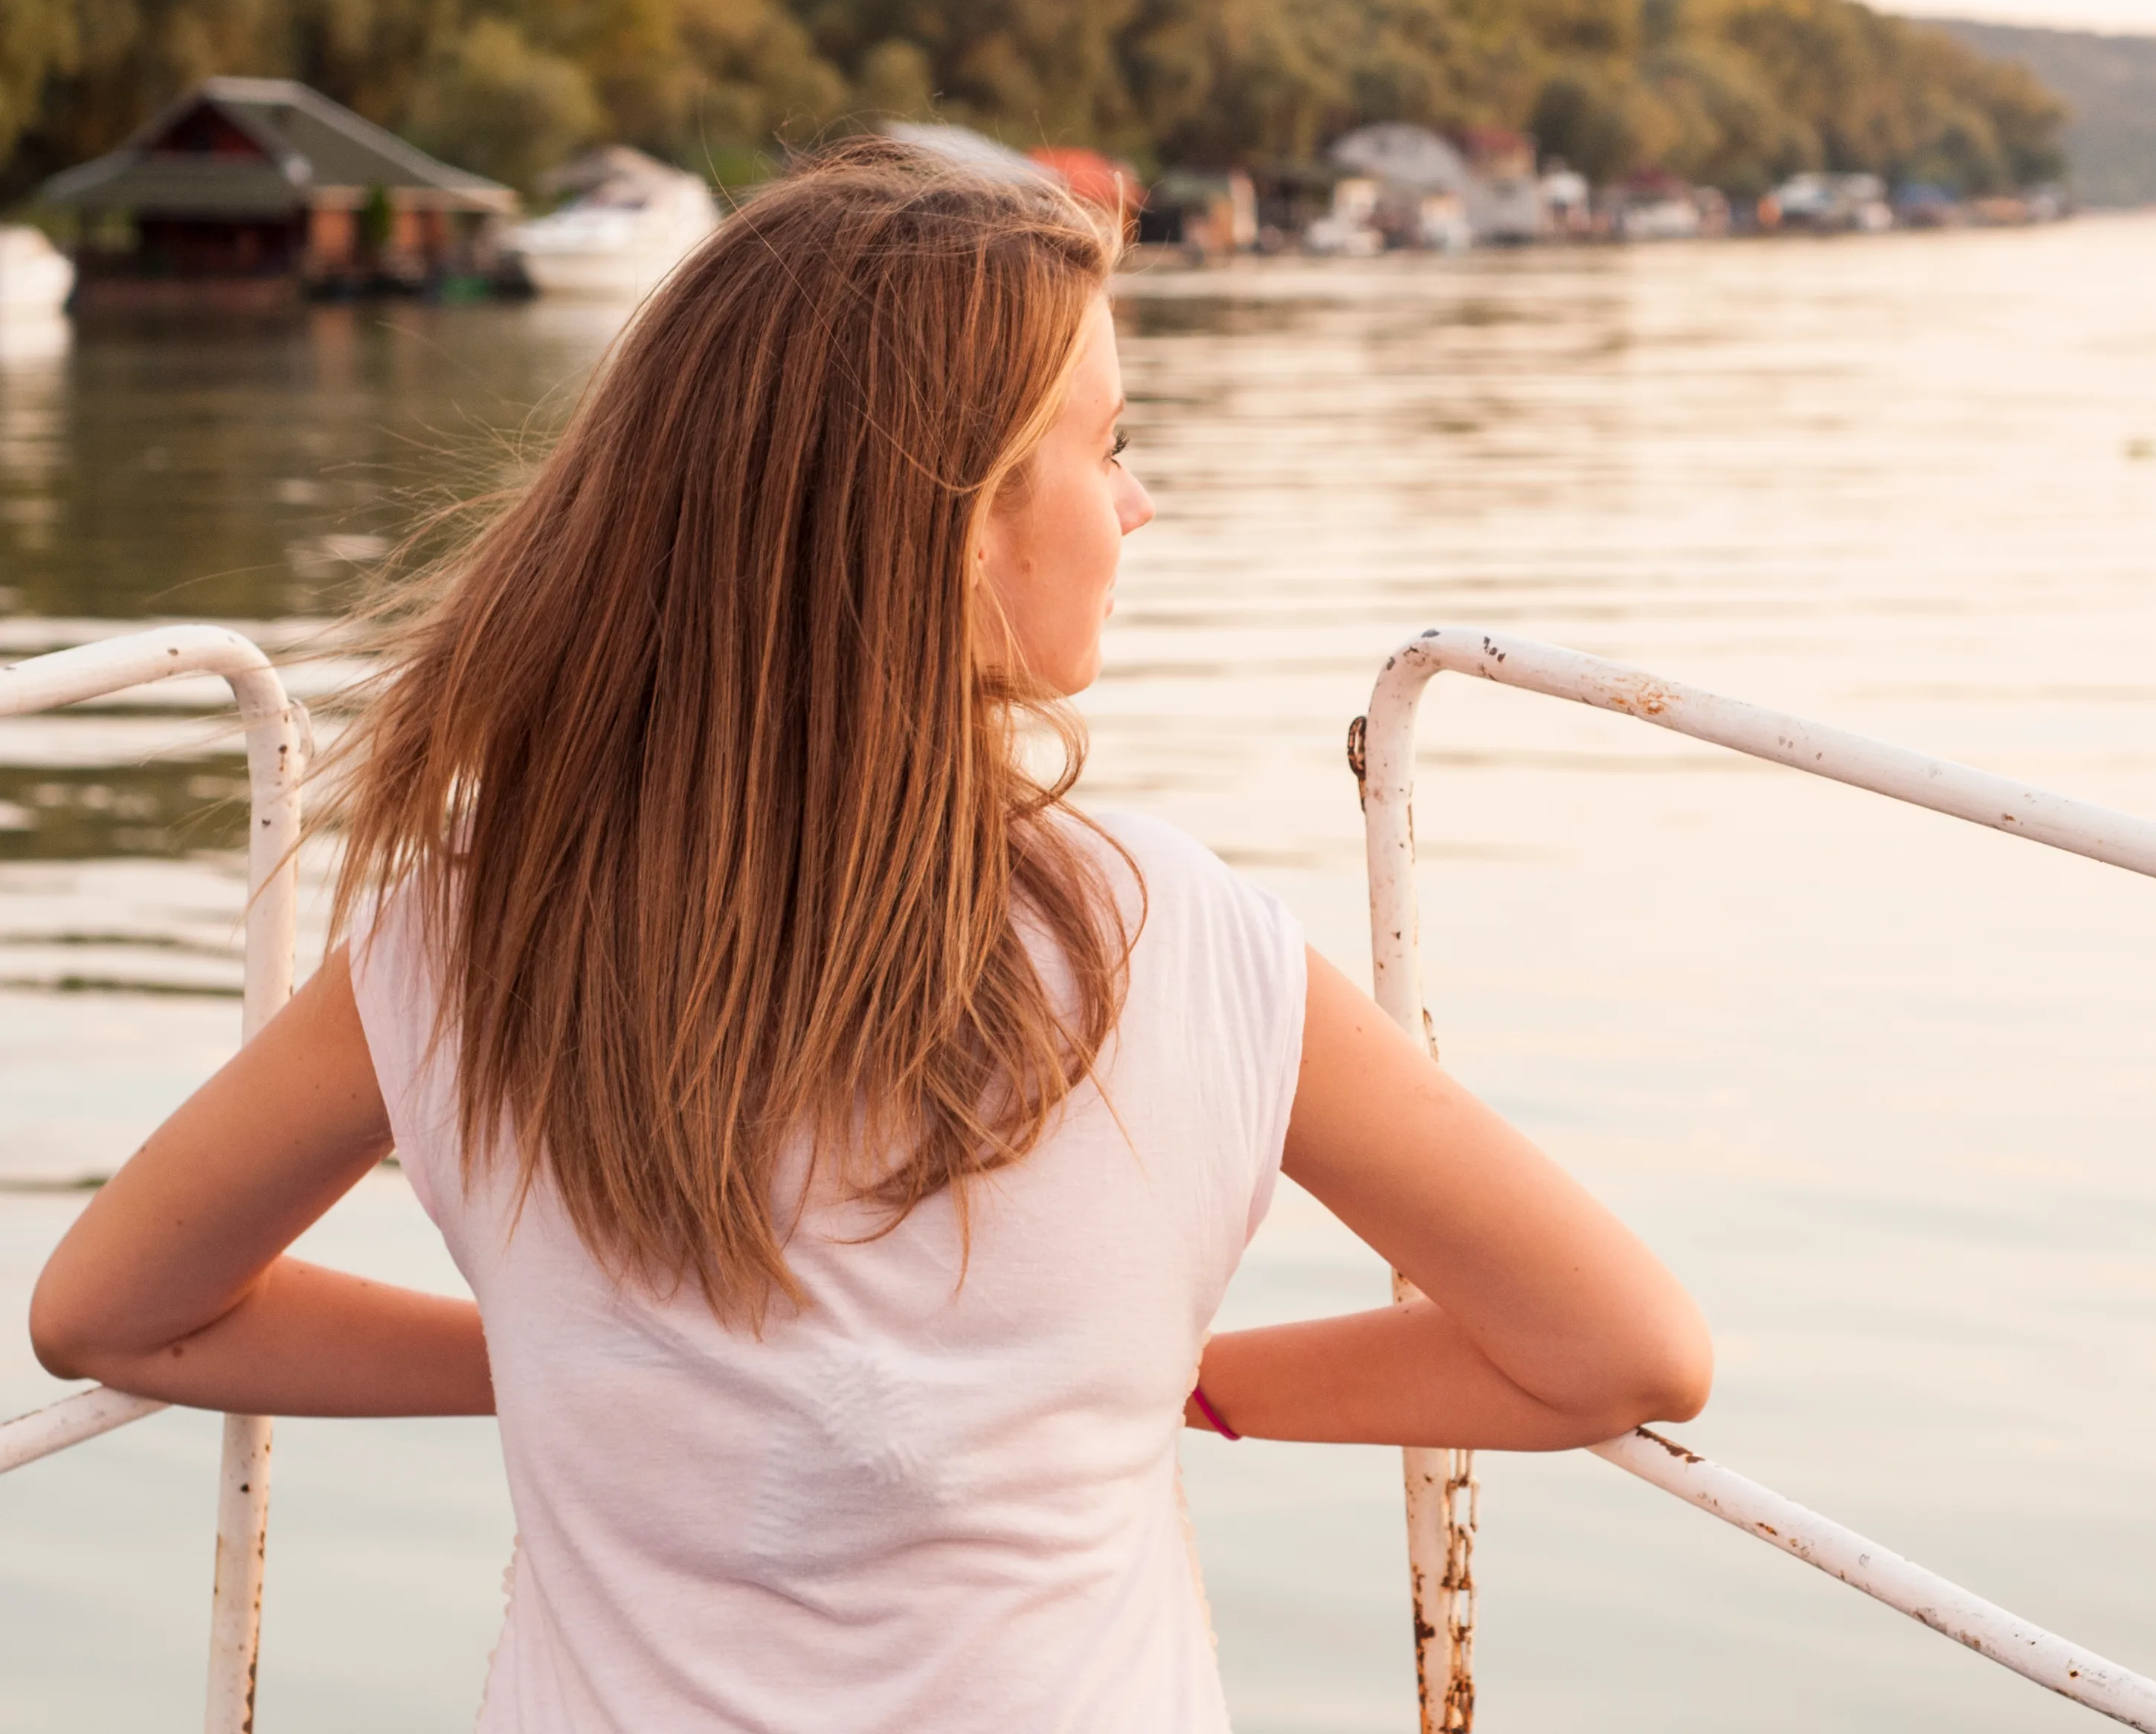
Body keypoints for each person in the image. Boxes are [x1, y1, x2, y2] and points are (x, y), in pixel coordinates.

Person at [25, 143, 1711, 1731]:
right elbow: (1618, 1350)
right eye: (1109, 446)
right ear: (968, 519)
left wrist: (563, 1368)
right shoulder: (1169, 936)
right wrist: (1181, 1385)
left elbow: (117, 1310)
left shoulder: (471, 930)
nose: (1140, 506)